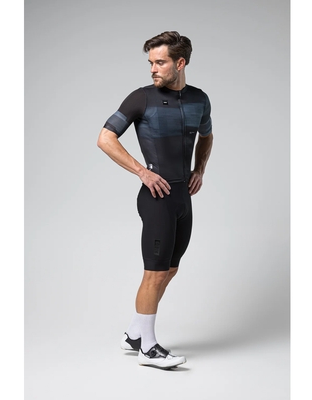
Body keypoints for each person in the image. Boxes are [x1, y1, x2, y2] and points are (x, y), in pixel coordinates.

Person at [97, 31, 213, 369]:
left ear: (180, 63)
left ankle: (134, 334)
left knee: (170, 269)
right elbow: (105, 138)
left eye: (160, 62)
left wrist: (199, 169)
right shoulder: (141, 98)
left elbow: (206, 135)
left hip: (182, 198)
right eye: (151, 62)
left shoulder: (199, 99)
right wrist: (141, 172)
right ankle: (148, 348)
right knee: (154, 273)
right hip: (157, 198)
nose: (153, 69)